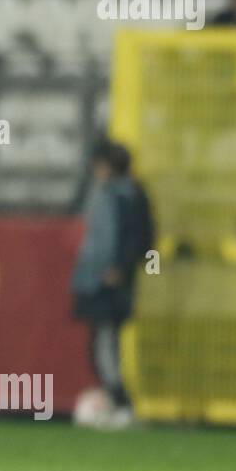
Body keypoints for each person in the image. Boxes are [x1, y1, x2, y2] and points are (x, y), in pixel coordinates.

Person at [70, 139, 153, 429]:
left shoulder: (123, 195)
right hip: (98, 279)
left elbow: (139, 238)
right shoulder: (122, 193)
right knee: (100, 346)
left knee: (104, 346)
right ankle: (114, 403)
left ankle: (122, 405)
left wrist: (118, 267)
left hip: (107, 282)